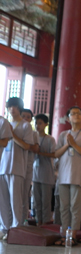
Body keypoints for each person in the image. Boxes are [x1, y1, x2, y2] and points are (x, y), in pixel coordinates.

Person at [54, 106, 81, 246]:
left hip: (77, 176)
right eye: (72, 114)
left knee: (75, 207)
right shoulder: (63, 135)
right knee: (64, 207)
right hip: (63, 175)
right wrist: (67, 145)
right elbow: (56, 154)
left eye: (78, 113)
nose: (76, 115)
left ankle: (73, 236)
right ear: (68, 118)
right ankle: (65, 234)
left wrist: (74, 144)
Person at [0, 98, 33, 239]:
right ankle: (5, 228)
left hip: (17, 167)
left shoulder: (26, 126)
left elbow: (27, 146)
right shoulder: (4, 124)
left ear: (19, 108)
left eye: (14, 107)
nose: (12, 109)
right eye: (9, 107)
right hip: (3, 166)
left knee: (16, 201)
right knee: (3, 201)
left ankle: (16, 229)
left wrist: (12, 135)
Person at [32, 114, 56, 226]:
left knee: (45, 201)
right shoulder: (33, 137)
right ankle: (38, 221)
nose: (38, 126)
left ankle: (46, 223)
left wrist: (40, 152)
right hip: (35, 174)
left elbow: (54, 154)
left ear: (46, 124)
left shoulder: (50, 139)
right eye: (36, 123)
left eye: (40, 123)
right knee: (36, 201)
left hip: (47, 174)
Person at [20, 108, 39, 220]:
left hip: (27, 165)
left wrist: (23, 144)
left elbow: (36, 148)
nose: (26, 118)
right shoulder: (15, 129)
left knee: (25, 194)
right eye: (24, 116)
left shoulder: (34, 133)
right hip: (15, 165)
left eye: (28, 117)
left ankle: (23, 220)